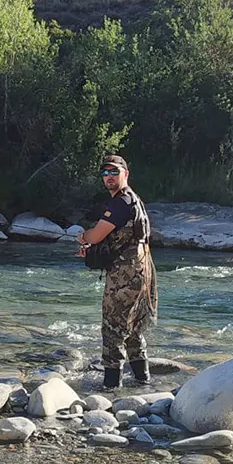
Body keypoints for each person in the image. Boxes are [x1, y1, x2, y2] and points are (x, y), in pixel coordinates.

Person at [78, 155, 158, 389]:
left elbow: (97, 235)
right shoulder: (133, 199)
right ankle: (142, 380)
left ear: (126, 173)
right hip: (141, 270)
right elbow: (119, 239)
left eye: (114, 172)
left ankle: (111, 386)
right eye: (105, 173)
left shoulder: (120, 203)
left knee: (112, 327)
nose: (109, 177)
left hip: (126, 274)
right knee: (132, 326)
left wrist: (83, 237)